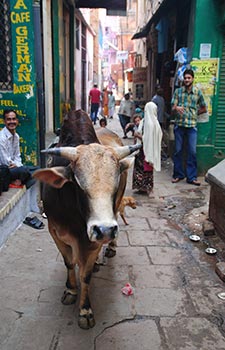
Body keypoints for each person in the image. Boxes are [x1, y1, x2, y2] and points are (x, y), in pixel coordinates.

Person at [171, 68, 207, 186]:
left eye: (189, 78)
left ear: (192, 79)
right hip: (179, 125)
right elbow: (172, 106)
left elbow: (204, 108)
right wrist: (176, 108)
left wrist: (195, 114)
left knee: (192, 151)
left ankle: (191, 177)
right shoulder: (178, 92)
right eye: (185, 78)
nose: (187, 80)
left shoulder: (197, 92)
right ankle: (178, 175)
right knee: (178, 151)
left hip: (192, 126)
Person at [132, 101, 162, 194]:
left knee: (141, 168)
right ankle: (147, 186)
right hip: (151, 151)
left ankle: (142, 187)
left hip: (143, 150)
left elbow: (146, 139)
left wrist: (137, 135)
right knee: (148, 169)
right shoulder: (155, 123)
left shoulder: (147, 123)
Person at [0, 109, 32, 188]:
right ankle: (17, 180)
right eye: (9, 119)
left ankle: (19, 179)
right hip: (4, 170)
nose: (12, 122)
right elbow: (6, 161)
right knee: (25, 171)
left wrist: (18, 165)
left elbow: (17, 156)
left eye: (14, 119)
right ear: (4, 122)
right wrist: (19, 168)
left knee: (37, 169)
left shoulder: (16, 136)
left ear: (17, 121)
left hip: (14, 168)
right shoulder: (1, 137)